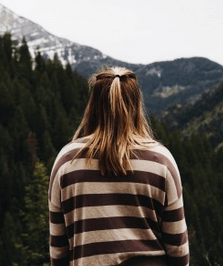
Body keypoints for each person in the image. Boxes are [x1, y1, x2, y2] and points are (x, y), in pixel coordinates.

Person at [48, 66, 189, 266]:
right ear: (136, 105)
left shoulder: (67, 161)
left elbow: (58, 248)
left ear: (93, 105)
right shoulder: (160, 160)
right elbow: (177, 247)